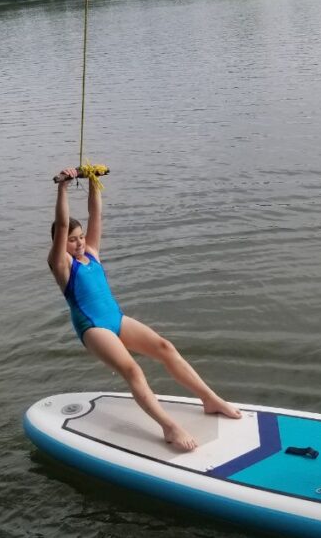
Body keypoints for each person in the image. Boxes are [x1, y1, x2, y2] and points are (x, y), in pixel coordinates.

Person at [49, 167, 241, 450]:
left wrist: (93, 179)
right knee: (133, 370)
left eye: (80, 237)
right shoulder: (62, 265)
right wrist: (63, 188)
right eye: (72, 239)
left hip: (115, 318)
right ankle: (169, 428)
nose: (78, 243)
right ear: (60, 242)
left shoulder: (91, 253)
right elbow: (62, 224)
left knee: (165, 347)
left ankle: (210, 400)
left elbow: (96, 215)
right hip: (93, 328)